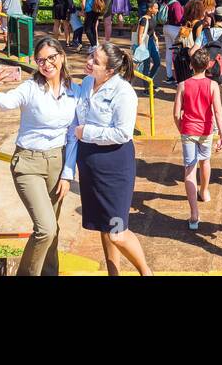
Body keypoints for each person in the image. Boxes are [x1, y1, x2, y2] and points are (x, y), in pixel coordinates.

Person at [0, 36, 78, 275]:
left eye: (51, 58)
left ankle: (50, 273)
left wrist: (68, 174)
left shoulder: (74, 91)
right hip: (28, 163)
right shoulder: (30, 88)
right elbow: (4, 102)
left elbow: (73, 136)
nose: (46, 64)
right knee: (45, 228)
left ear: (62, 57)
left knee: (52, 227)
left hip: (58, 161)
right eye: (40, 60)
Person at [71, 43, 152, 275]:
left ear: (110, 71)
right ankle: (112, 272)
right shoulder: (87, 83)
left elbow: (123, 133)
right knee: (104, 226)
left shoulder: (123, 92)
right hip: (89, 165)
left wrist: (86, 132)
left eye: (95, 61)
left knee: (117, 230)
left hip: (114, 166)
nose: (89, 62)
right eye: (90, 57)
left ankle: (146, 272)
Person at [173, 47, 222, 230]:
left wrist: (182, 128)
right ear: (208, 66)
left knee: (189, 169)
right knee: (205, 161)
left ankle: (194, 213)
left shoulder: (183, 85)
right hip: (206, 130)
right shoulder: (212, 86)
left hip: (188, 130)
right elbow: (218, 111)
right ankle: (204, 190)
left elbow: (176, 113)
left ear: (190, 65)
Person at [159, 0, 184, 83]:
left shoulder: (165, 2)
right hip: (175, 29)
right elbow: (179, 19)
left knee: (169, 52)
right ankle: (179, 77)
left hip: (166, 27)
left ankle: (169, 76)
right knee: (179, 53)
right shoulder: (176, 4)